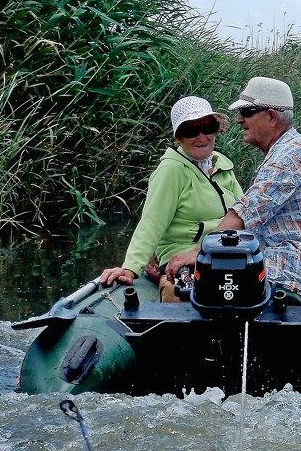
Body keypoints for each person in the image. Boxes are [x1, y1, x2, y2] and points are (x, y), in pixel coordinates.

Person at [165, 77, 301, 304]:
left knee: (218, 272)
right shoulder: (288, 147)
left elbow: (243, 214)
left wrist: (197, 254)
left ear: (272, 117)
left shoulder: (286, 158)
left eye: (247, 112)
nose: (238, 120)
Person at [99, 95, 244, 301]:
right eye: (191, 130)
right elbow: (152, 223)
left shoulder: (223, 166)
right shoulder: (171, 170)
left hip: (226, 254)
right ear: (178, 137)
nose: (201, 137)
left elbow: (245, 211)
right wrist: (131, 267)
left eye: (207, 127)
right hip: (182, 258)